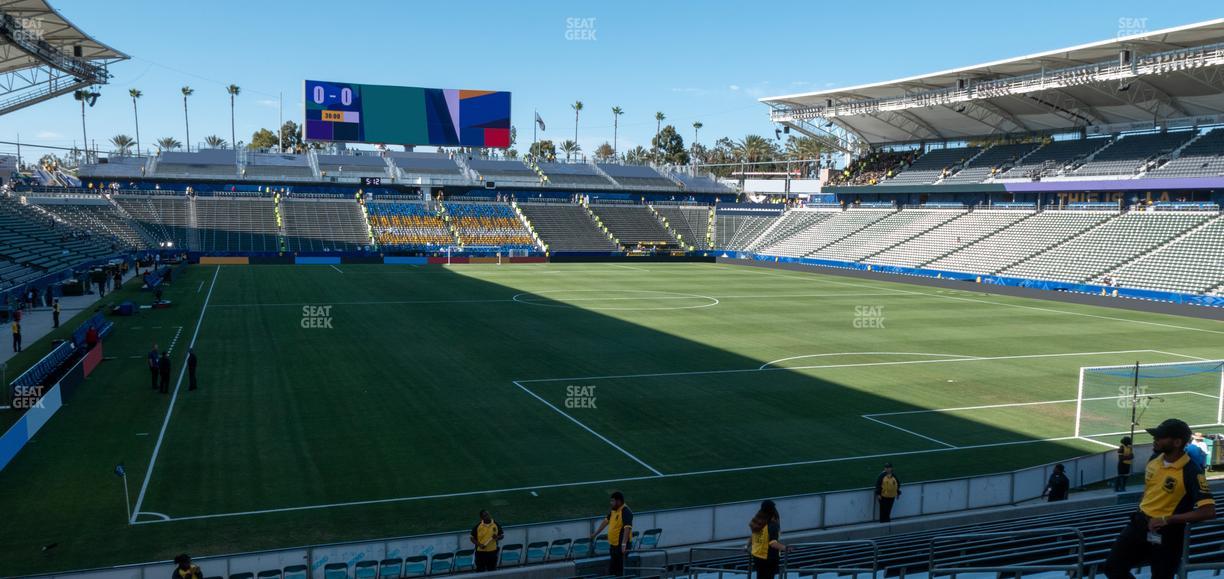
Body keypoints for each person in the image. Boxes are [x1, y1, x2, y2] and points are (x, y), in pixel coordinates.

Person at [1102, 419, 1216, 579]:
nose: (1155, 439)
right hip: (1139, 524)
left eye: (1161, 437)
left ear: (1177, 442)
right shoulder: (1154, 458)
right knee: (1112, 567)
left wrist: (1167, 519)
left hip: (1167, 534)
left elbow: (1208, 512)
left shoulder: (1191, 472)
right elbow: (1150, 490)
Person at [591, 491, 633, 576]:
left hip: (621, 546)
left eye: (613, 501)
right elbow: (606, 521)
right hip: (613, 545)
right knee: (613, 568)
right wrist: (595, 533)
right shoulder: (614, 510)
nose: (611, 503)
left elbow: (627, 528)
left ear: (619, 501)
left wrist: (624, 544)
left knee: (619, 569)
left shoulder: (626, 511)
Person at [748, 499, 788, 579]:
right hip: (768, 558)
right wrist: (785, 548)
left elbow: (752, 536)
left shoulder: (758, 520)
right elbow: (773, 543)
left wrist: (747, 546)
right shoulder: (773, 524)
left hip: (757, 556)